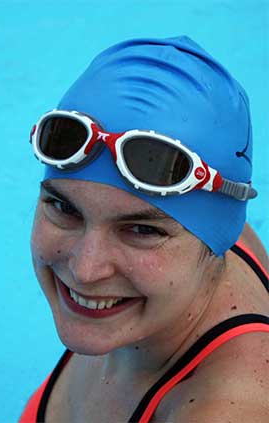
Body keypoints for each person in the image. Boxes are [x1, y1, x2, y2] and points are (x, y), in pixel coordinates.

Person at [21, 36, 269, 423]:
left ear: (215, 240)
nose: (87, 270)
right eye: (64, 208)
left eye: (140, 230)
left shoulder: (225, 410)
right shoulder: (227, 241)